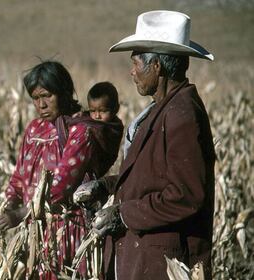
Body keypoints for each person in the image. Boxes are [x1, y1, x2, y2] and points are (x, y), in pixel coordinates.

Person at [73, 10, 216, 280]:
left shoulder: (182, 115)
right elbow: (151, 179)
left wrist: (123, 215)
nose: (132, 71)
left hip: (164, 264)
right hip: (145, 260)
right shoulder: (162, 110)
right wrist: (105, 187)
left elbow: (185, 195)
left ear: (156, 67)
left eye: (136, 63)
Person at [0, 60, 124, 278]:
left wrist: (20, 213)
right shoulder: (34, 129)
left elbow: (60, 187)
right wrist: (5, 209)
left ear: (64, 92)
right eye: (36, 98)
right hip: (34, 231)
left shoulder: (81, 130)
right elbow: (19, 177)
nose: (41, 104)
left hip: (66, 232)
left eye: (47, 96)